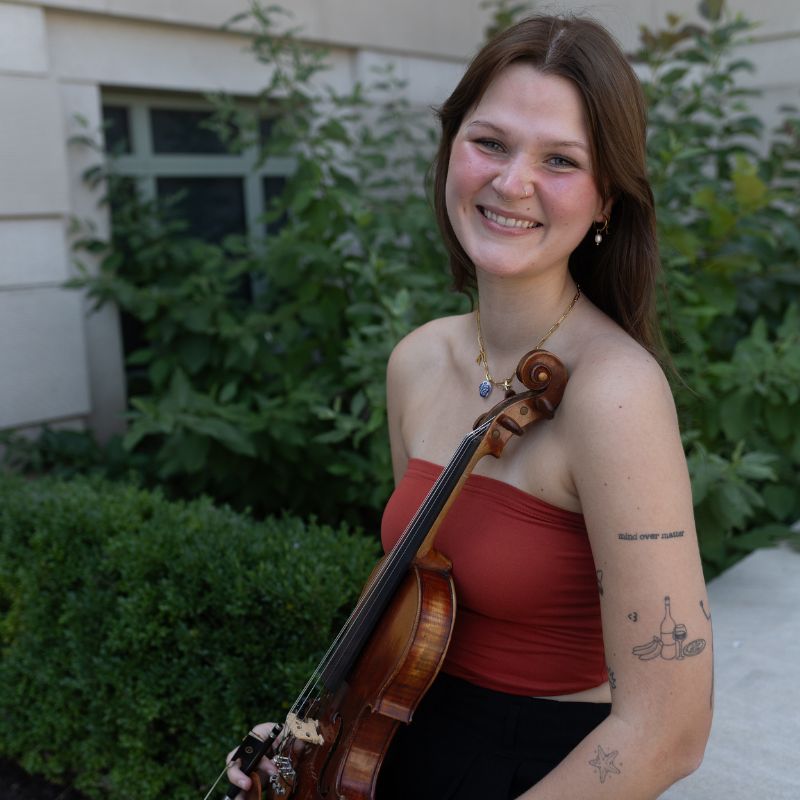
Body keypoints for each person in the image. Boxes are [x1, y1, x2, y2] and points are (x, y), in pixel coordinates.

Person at [226, 13, 713, 799]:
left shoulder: (615, 394)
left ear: (605, 203)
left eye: (560, 159)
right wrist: (306, 746)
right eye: (490, 142)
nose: (512, 181)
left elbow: (669, 732)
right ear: (451, 149)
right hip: (390, 748)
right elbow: (407, 604)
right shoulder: (418, 361)